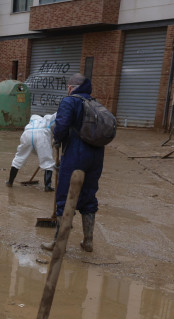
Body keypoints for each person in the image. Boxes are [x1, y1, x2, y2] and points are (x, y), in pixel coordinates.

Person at [42, 73, 104, 253]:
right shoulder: (95, 103)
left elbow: (61, 126)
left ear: (70, 87)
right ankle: (88, 241)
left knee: (65, 195)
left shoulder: (70, 101)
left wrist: (57, 139)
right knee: (89, 196)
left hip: (76, 155)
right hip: (97, 156)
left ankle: (59, 243)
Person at [7, 113, 56, 190]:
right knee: (47, 161)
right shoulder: (48, 120)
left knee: (19, 157)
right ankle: (47, 186)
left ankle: (10, 182)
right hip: (42, 135)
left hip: (27, 133)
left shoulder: (32, 121)